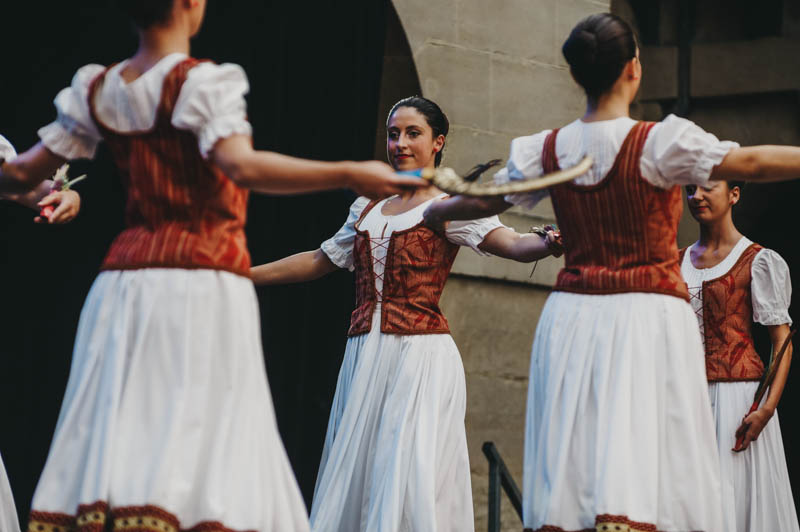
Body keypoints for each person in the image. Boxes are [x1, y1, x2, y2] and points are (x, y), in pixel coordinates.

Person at [0, 1, 424, 531]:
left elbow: (17, 175)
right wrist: (348, 172)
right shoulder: (202, 84)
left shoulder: (98, 88)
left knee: (128, 434)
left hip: (122, 287)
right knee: (200, 437)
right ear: (189, 4)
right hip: (198, 282)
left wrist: (53, 189)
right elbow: (241, 165)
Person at [424, 12, 800, 532]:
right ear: (633, 69)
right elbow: (752, 163)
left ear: (577, 74)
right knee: (652, 462)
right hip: (648, 315)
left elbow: (475, 203)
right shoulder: (663, 142)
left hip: (574, 317)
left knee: (583, 458)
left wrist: (433, 209)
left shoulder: (547, 149)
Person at [251, 96, 562, 532]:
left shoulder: (448, 207)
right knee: (359, 471)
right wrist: (242, 275)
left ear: (438, 142)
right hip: (364, 355)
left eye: (413, 133)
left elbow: (510, 244)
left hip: (418, 357)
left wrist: (548, 242)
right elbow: (321, 260)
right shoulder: (367, 207)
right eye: (393, 133)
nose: (399, 143)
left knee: (406, 469)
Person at [681, 180, 797, 532]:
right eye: (690, 188)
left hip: (736, 399)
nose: (696, 196)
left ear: (734, 194)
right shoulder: (675, 261)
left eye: (707, 187)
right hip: (685, 398)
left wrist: (767, 409)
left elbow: (782, 342)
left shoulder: (758, 260)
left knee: (731, 496)